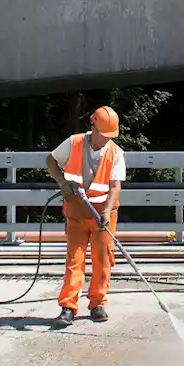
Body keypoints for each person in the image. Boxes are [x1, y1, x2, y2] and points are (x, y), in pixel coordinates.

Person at [45, 106, 126, 329]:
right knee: (74, 261)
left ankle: (97, 304)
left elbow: (115, 186)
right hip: (76, 213)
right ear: (93, 128)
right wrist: (62, 183)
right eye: (103, 135)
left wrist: (107, 212)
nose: (106, 140)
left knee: (103, 261)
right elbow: (51, 160)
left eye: (111, 136)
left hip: (102, 216)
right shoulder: (75, 143)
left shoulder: (115, 152)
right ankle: (68, 307)